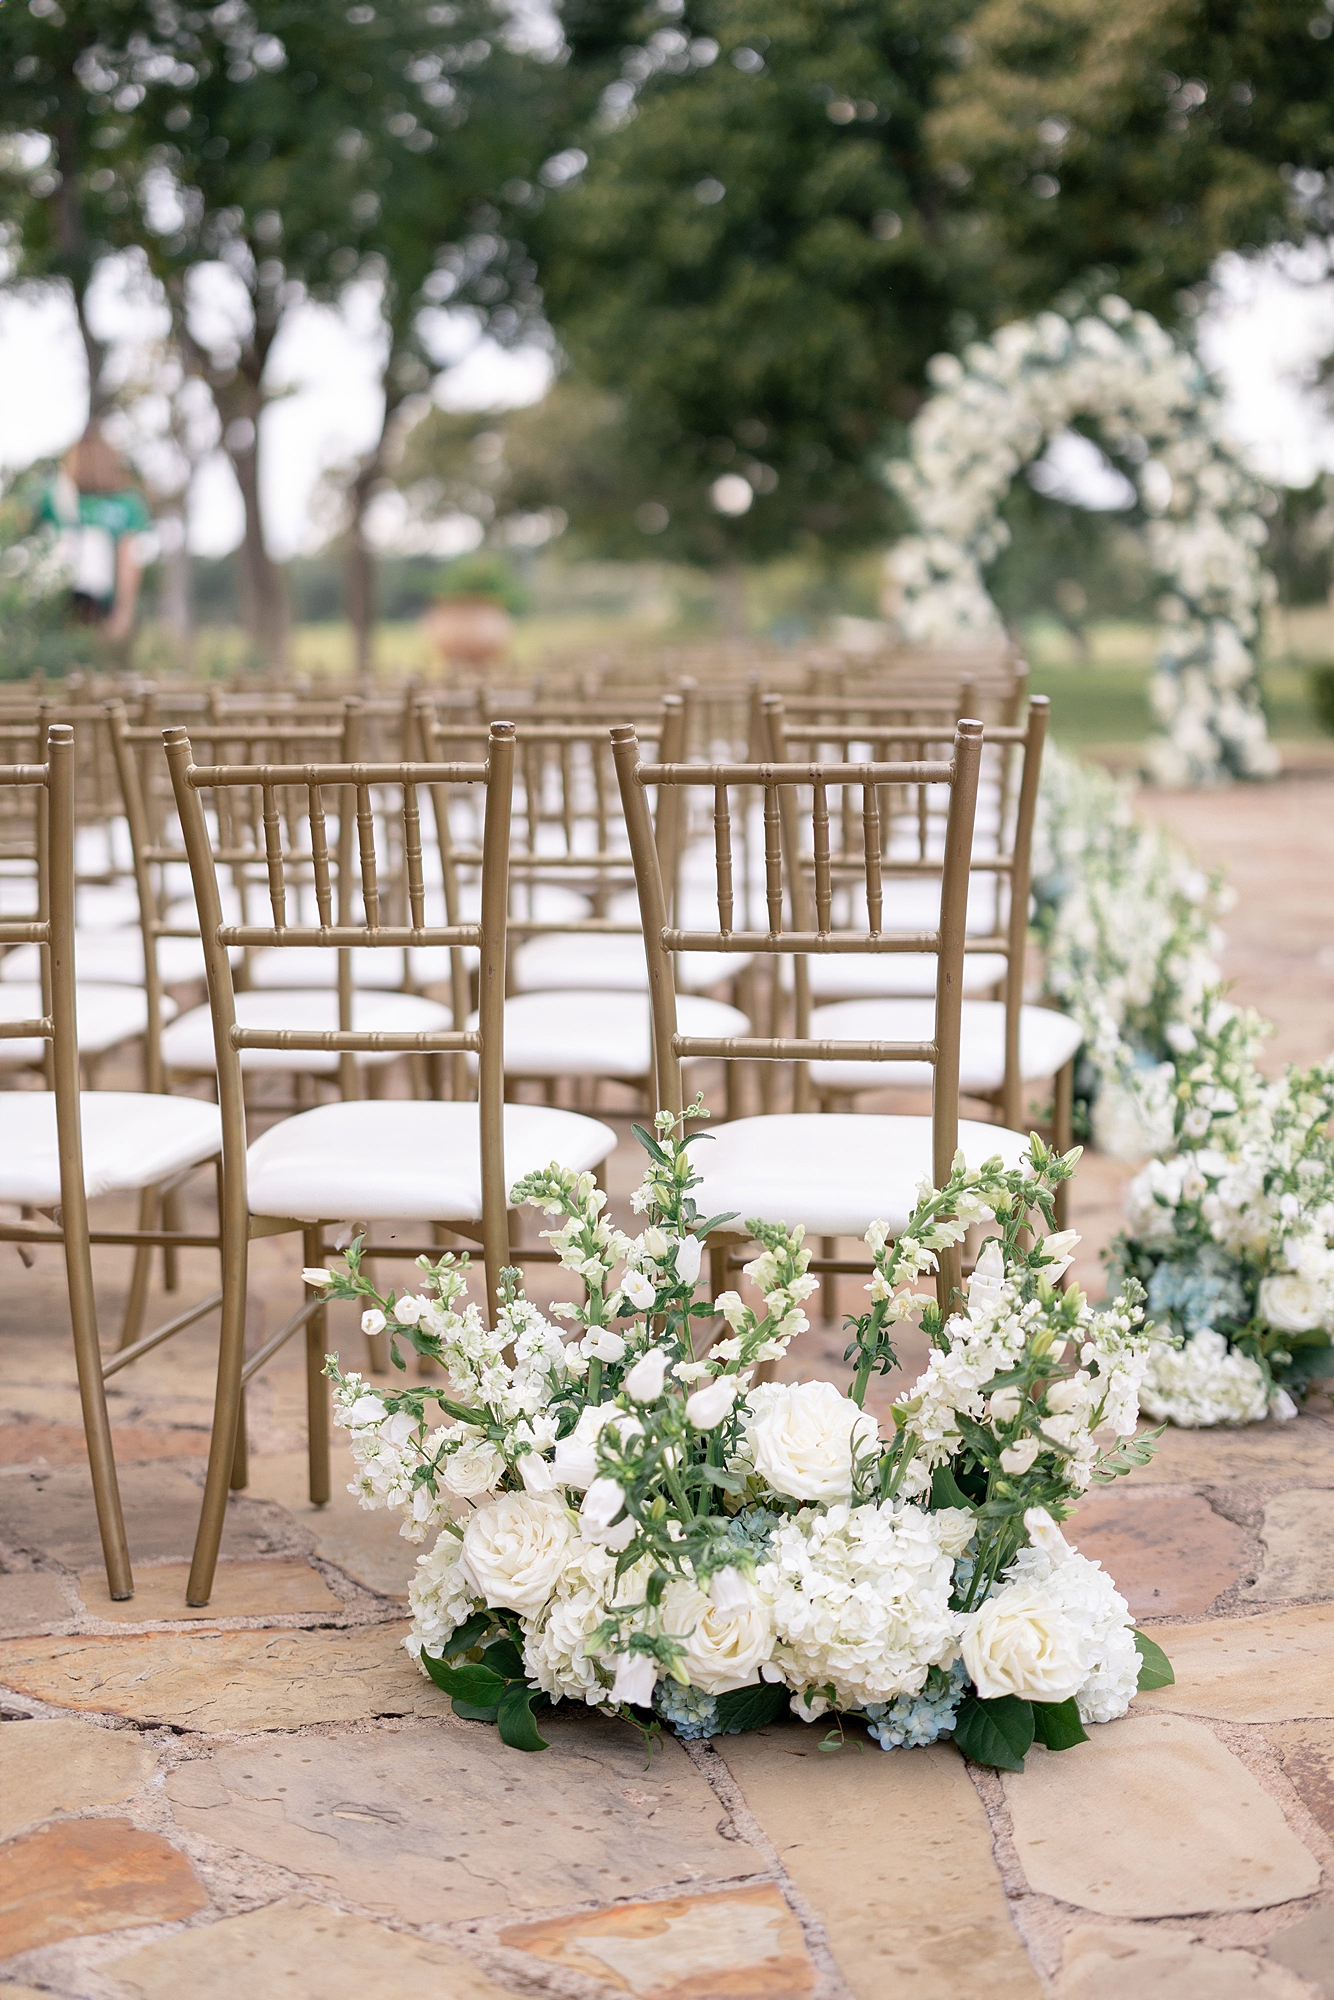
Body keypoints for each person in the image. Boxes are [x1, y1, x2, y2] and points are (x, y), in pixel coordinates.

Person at [42, 426, 152, 645]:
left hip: (58, 604)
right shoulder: (128, 503)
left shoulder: (55, 497)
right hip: (104, 607)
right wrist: (124, 612)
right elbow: (129, 559)